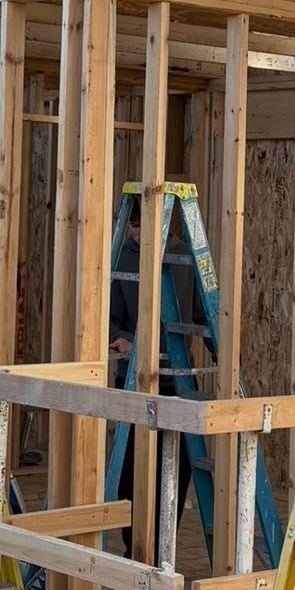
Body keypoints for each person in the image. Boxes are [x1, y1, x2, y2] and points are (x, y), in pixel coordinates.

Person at [108, 204, 189, 556]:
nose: (135, 234)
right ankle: (136, 545)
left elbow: (205, 311)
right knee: (130, 470)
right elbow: (107, 319)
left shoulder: (184, 257)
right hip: (133, 379)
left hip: (175, 379)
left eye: (141, 227)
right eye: (132, 227)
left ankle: (159, 546)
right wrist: (123, 340)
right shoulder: (122, 257)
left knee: (176, 468)